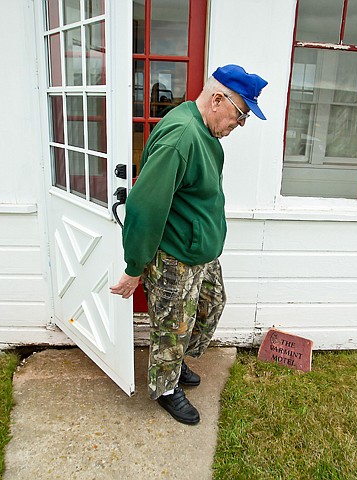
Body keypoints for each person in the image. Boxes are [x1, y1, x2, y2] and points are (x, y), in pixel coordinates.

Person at [110, 64, 268, 425]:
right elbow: (144, 206)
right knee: (173, 326)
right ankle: (165, 387)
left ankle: (176, 362)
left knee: (212, 305)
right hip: (175, 256)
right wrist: (135, 267)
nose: (240, 124)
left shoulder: (204, 130)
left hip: (200, 250)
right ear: (217, 99)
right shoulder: (181, 136)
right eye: (241, 114)